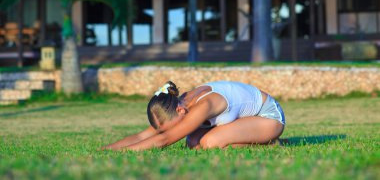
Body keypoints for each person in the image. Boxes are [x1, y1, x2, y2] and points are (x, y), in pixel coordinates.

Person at [103, 81, 285, 151]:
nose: (173, 130)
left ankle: (267, 142)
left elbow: (164, 139)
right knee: (193, 143)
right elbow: (145, 135)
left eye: (172, 126)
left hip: (268, 117)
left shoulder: (203, 106)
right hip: (244, 119)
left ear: (180, 111)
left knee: (209, 143)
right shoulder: (174, 107)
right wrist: (106, 150)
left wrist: (124, 151)